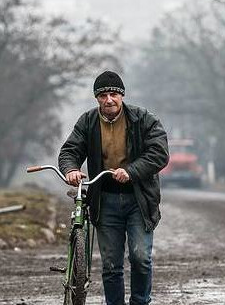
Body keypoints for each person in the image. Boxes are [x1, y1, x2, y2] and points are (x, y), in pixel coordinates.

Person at [59, 71, 169, 305]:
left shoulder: (143, 119)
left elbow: (159, 153)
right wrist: (71, 169)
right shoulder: (88, 121)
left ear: (122, 96)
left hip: (139, 199)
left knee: (141, 258)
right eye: (103, 95)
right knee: (111, 265)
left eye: (113, 94)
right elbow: (70, 150)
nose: (109, 100)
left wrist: (131, 171)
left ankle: (140, 302)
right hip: (105, 199)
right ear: (97, 98)